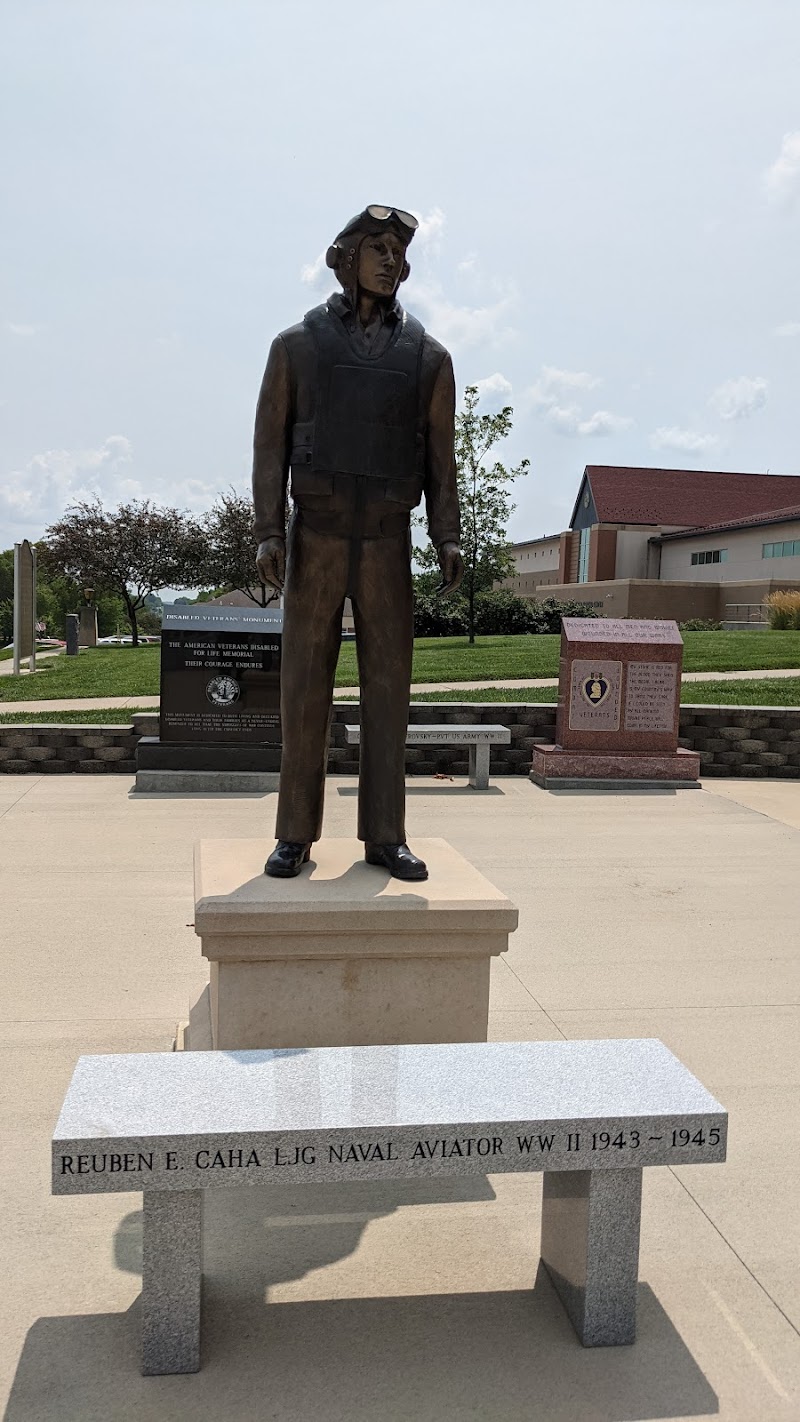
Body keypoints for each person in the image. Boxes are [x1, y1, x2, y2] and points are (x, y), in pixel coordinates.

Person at [253, 204, 463, 881]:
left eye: (397, 251)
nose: (388, 259)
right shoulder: (297, 347)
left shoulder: (428, 358)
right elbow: (269, 446)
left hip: (384, 543)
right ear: (344, 256)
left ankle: (385, 835)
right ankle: (294, 834)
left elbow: (441, 459)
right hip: (314, 538)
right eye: (375, 246)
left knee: (388, 690)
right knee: (303, 689)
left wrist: (448, 533)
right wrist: (265, 530)